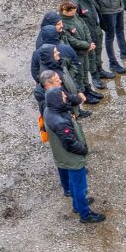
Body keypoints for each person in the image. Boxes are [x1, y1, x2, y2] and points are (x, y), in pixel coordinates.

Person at [42, 87, 105, 223]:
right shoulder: (60, 121)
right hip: (71, 157)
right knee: (79, 186)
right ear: (57, 100)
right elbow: (70, 143)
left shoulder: (49, 110)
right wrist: (84, 149)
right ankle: (85, 213)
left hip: (64, 157)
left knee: (73, 182)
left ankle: (77, 204)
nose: (65, 97)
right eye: (63, 96)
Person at [58, 0, 101, 97]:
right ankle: (83, 93)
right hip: (77, 53)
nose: (74, 13)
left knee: (86, 71)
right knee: (80, 74)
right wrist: (87, 45)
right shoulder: (63, 23)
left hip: (86, 50)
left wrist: (89, 42)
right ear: (64, 11)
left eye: (74, 11)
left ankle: (88, 90)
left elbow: (84, 27)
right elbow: (72, 40)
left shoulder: (75, 16)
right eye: (71, 11)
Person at [71, 0, 111, 81]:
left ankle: (100, 70)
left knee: (98, 51)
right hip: (87, 36)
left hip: (96, 30)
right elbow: (75, 23)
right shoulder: (75, 3)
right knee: (91, 57)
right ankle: (94, 77)